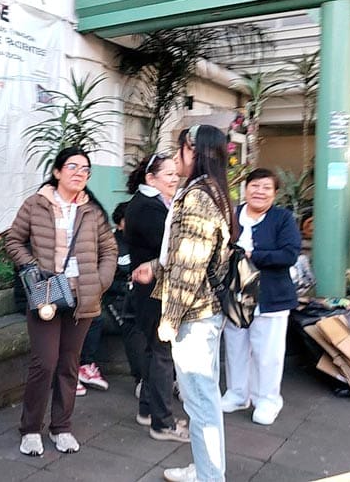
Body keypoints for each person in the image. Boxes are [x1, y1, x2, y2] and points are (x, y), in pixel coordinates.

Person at [133, 125, 235, 482]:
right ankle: (206, 469)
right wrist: (156, 266)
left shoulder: (196, 197)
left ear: (193, 150)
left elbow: (189, 266)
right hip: (208, 310)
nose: (176, 159)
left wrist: (170, 319)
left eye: (180, 150)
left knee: (200, 402)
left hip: (194, 314)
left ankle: (209, 476)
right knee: (204, 399)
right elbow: (187, 254)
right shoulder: (214, 191)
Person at [6, 147, 117, 456]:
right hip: (47, 294)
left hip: (83, 297)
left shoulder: (92, 211)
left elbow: (110, 249)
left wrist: (100, 282)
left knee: (70, 363)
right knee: (44, 362)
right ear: (57, 172)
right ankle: (30, 428)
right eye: (72, 166)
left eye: (85, 169)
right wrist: (31, 267)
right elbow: (13, 240)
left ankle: (61, 427)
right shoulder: (36, 204)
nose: (79, 173)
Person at [221, 169, 301, 425]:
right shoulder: (232, 215)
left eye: (267, 187)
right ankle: (237, 393)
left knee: (268, 353)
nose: (259, 191)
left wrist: (252, 255)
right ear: (245, 189)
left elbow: (289, 254)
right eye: (255, 186)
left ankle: (267, 399)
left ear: (275, 194)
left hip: (271, 296)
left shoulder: (282, 218)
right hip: (235, 294)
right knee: (235, 347)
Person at [124, 152, 188, 443]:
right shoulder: (148, 207)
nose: (175, 179)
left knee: (155, 351)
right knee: (162, 354)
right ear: (151, 178)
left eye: (176, 173)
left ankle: (148, 411)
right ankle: (163, 423)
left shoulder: (153, 203)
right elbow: (171, 247)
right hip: (153, 290)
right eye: (168, 174)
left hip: (150, 290)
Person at [76, 201, 131, 396]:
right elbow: (101, 279)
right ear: (119, 223)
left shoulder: (141, 243)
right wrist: (124, 286)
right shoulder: (110, 244)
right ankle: (83, 366)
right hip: (109, 299)